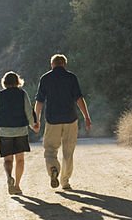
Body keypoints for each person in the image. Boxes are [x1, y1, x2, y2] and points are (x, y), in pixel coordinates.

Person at [34, 53, 91, 191]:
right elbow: (79, 99)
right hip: (70, 119)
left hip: (52, 120)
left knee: (50, 150)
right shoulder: (71, 77)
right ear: (64, 64)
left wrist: (36, 120)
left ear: (52, 64)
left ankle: (53, 168)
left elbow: (39, 101)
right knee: (68, 151)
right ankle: (65, 181)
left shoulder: (45, 78)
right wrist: (87, 117)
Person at [0, 71, 39, 195]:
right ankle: (17, 185)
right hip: (20, 131)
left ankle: (9, 178)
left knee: (8, 160)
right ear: (18, 82)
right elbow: (28, 111)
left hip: (5, 132)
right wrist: (33, 125)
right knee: (20, 160)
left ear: (5, 82)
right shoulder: (22, 94)